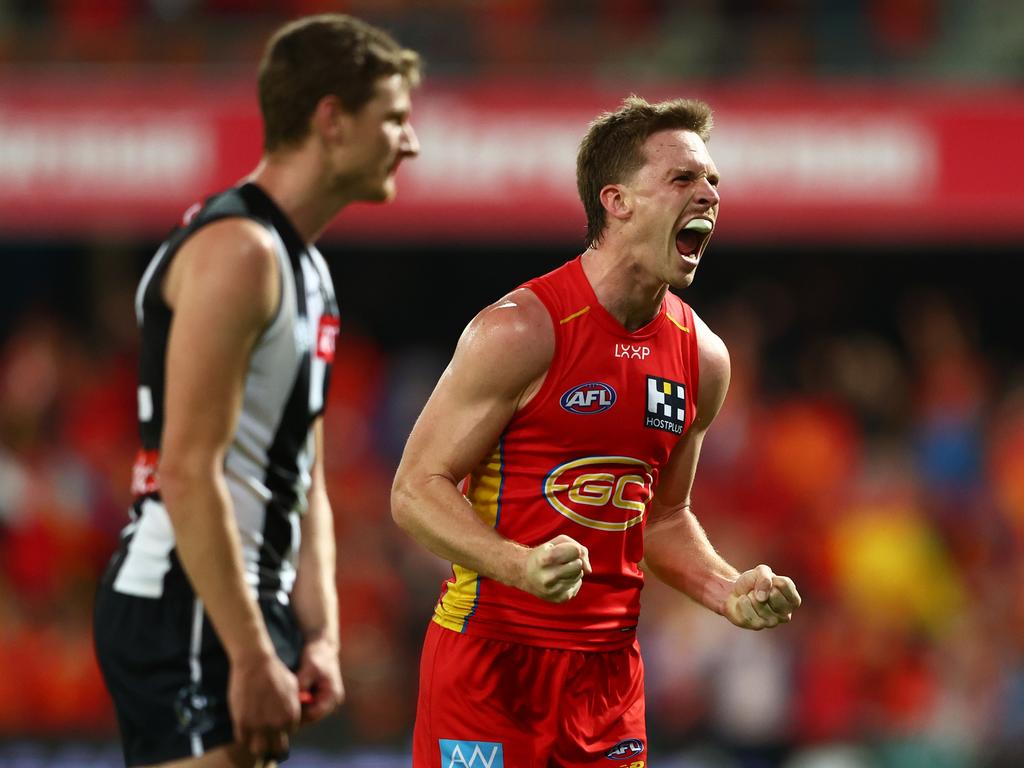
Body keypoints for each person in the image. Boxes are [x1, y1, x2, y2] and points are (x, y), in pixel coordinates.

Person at [391, 95, 801, 766]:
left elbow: (664, 518)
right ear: (617, 200)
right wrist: (516, 564)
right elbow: (414, 489)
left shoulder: (703, 359)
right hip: (492, 665)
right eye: (683, 179)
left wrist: (727, 590)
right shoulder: (521, 330)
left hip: (607, 680)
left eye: (713, 183)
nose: (709, 195)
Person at [93, 14, 420, 768]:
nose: (410, 141)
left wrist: (321, 635)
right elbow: (187, 467)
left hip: (235, 607)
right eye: (394, 119)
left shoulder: (303, 268)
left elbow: (302, 474)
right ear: (332, 120)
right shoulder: (237, 252)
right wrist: (246, 653)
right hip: (191, 601)